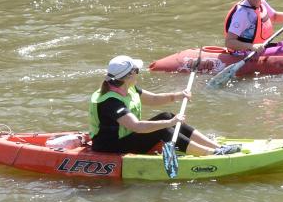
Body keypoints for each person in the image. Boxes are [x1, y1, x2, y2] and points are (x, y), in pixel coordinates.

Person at [89, 55, 240, 156]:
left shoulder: (128, 87)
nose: (138, 73)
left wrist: (178, 96)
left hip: (126, 138)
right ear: (128, 76)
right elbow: (137, 126)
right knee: (164, 129)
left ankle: (216, 146)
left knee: (167, 115)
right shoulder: (110, 101)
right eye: (136, 71)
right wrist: (169, 124)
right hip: (110, 146)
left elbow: (154, 99)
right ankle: (210, 153)